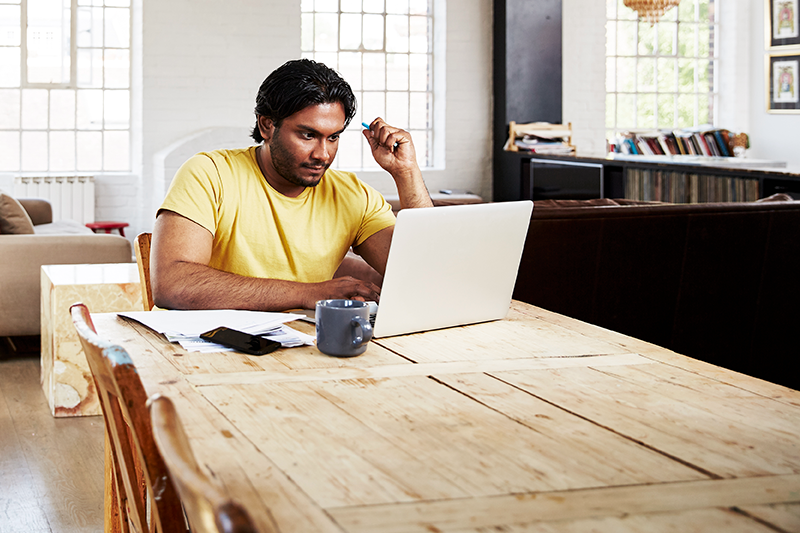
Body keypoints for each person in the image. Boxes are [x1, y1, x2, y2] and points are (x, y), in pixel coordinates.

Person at [151, 59, 433, 311]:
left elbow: (425, 273)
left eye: (333, 137)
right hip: (201, 349)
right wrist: (308, 293)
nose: (323, 154)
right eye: (308, 135)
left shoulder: (353, 195)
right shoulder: (209, 173)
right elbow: (173, 284)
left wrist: (406, 172)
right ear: (267, 126)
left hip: (298, 350)